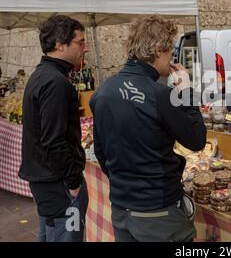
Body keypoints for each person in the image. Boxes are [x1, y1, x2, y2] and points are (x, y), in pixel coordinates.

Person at [89, 17, 207, 242]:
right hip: (158, 213)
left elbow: (101, 152)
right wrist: (186, 91)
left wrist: (126, 185)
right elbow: (197, 139)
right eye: (170, 52)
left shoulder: (103, 92)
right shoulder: (160, 95)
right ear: (157, 50)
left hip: (122, 208)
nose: (171, 58)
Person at [19, 15, 89, 242]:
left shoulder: (43, 75)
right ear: (60, 44)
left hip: (48, 180)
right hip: (56, 182)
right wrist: (73, 183)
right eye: (80, 42)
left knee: (51, 234)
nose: (85, 49)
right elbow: (54, 140)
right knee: (63, 236)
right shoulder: (55, 82)